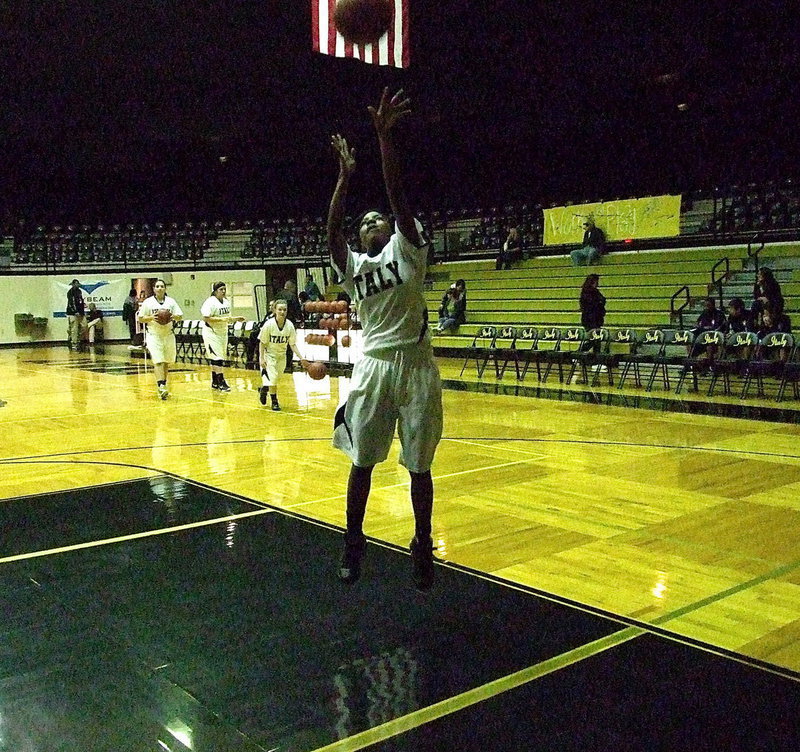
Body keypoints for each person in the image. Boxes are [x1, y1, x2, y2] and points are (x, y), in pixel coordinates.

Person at [328, 88, 443, 591]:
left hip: (416, 364)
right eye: (365, 222)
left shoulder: (407, 247)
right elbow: (332, 231)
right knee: (363, 463)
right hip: (373, 366)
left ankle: (422, 542)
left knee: (419, 466)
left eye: (379, 219)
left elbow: (397, 198)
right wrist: (344, 179)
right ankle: (353, 541)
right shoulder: (353, 267)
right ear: (360, 239)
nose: (374, 222)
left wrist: (384, 141)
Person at [257, 300, 308, 411]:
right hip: (269, 355)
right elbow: (262, 342)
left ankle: (264, 389)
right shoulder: (269, 324)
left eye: (284, 309)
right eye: (280, 309)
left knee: (274, 379)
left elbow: (293, 344)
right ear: (274, 310)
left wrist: (301, 358)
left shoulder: (289, 326)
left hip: (282, 356)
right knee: (273, 379)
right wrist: (261, 358)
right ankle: (274, 402)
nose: (282, 312)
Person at [137, 278, 184, 399]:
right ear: (153, 289)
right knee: (158, 360)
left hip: (168, 334)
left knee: (166, 361)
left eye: (162, 286)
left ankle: (163, 383)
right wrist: (152, 317)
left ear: (165, 288)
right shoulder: (148, 302)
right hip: (154, 335)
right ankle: (161, 386)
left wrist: (171, 316)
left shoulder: (171, 302)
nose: (159, 288)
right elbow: (141, 318)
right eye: (157, 286)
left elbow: (180, 316)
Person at [200, 281, 246, 392]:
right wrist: (220, 319)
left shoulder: (226, 302)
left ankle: (214, 381)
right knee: (217, 357)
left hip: (222, 332)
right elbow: (206, 318)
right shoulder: (209, 302)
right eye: (221, 289)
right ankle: (221, 381)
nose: (224, 291)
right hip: (211, 332)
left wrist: (236, 318)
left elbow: (227, 318)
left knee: (219, 356)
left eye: (225, 289)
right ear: (215, 291)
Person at [276, 280, 302, 371]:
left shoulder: (278, 295)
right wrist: (300, 319)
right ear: (291, 287)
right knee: (290, 343)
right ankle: (287, 364)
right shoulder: (292, 296)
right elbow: (297, 309)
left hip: (278, 322)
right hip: (290, 321)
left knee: (279, 342)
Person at [65, 279, 85, 349]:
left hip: (81, 313)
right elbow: (71, 303)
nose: (78, 285)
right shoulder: (70, 292)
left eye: (78, 283)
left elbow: (80, 300)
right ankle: (74, 342)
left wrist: (82, 307)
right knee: (74, 328)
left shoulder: (79, 291)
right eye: (76, 284)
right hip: (73, 313)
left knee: (84, 325)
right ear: (73, 284)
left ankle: (76, 337)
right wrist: (75, 311)